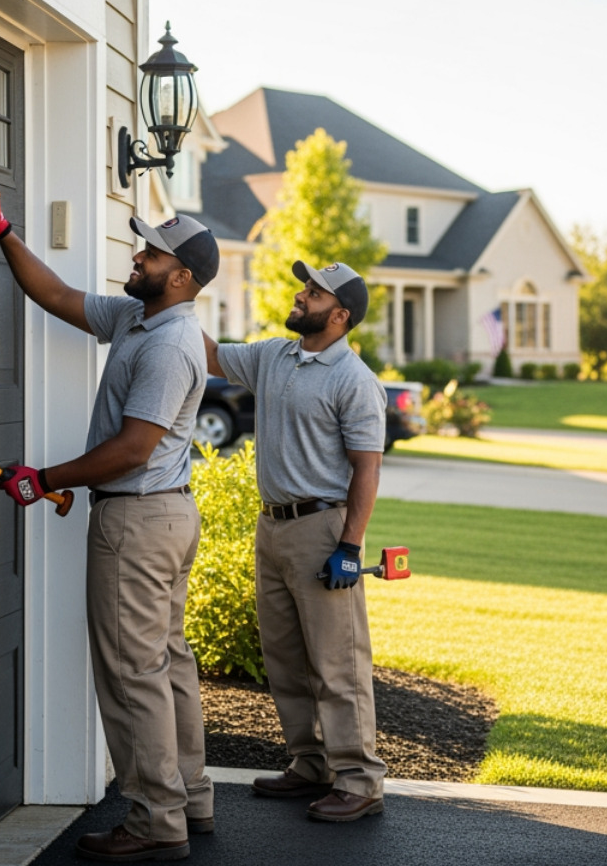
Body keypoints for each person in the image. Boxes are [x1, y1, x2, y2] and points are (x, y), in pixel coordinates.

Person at [0, 190, 220, 862]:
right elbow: (56, 296)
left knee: (133, 672)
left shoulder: (170, 344)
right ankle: (190, 800)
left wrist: (45, 479)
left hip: (137, 521)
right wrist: (4, 233)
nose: (136, 255)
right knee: (165, 665)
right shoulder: (140, 320)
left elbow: (134, 448)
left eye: (151, 252)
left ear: (183, 277)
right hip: (161, 515)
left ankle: (155, 822)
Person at [203, 260, 389, 823]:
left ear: (339, 315)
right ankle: (310, 763)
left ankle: (359, 780)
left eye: (312, 293)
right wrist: (176, 295)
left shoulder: (354, 381)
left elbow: (366, 470)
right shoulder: (272, 356)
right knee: (284, 656)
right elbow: (212, 354)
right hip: (272, 527)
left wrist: (351, 547)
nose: (299, 295)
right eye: (303, 287)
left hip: (322, 529)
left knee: (338, 662)